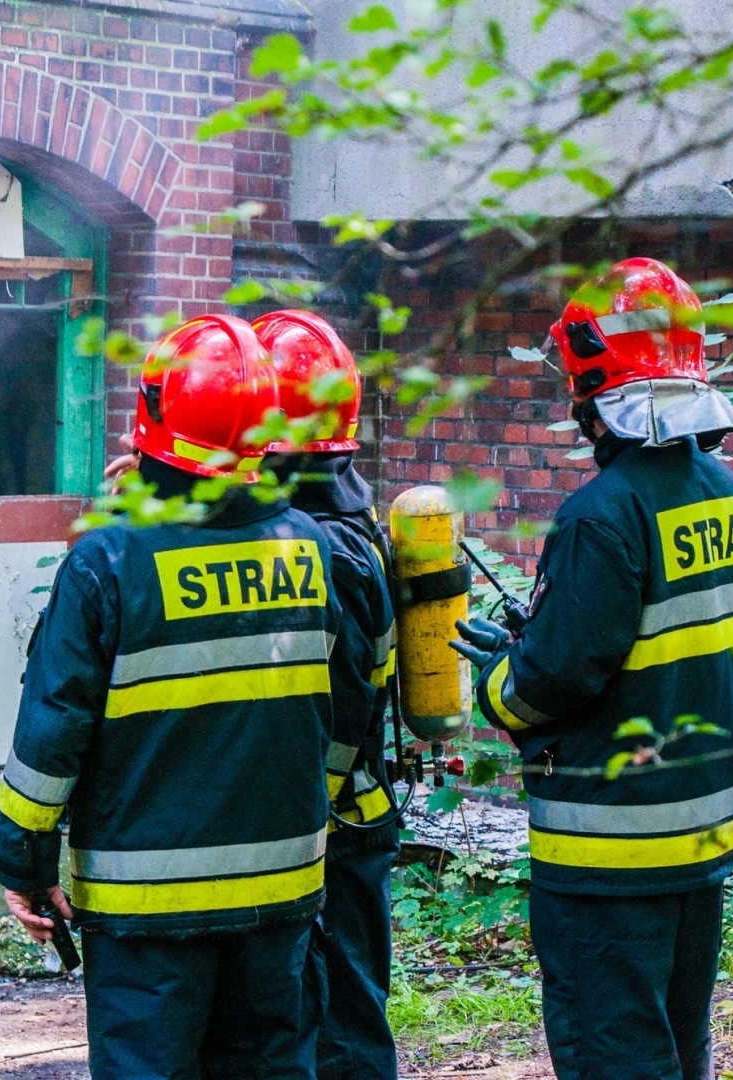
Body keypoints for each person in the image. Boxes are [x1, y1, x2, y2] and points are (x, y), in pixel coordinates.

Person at [0, 313, 354, 1080]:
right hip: (280, 895)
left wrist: (23, 856)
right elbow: (343, 716)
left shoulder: (107, 564)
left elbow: (54, 730)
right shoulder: (313, 551)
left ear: (150, 424)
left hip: (145, 908)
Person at [451, 258, 733, 1080]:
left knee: (616, 1056)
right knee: (678, 1047)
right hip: (700, 837)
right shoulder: (728, 493)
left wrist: (497, 679)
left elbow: (552, 682)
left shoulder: (602, 515)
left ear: (593, 390)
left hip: (613, 856)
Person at [254, 309, 401, 1080]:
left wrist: (307, 806)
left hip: (328, 825)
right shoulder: (350, 514)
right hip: (352, 816)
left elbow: (335, 710)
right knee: (346, 1011)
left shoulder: (319, 545)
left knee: (336, 1025)